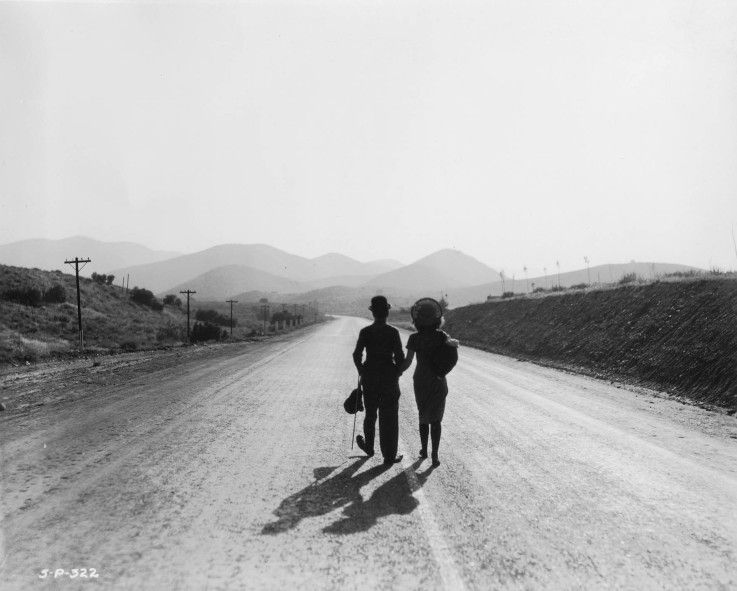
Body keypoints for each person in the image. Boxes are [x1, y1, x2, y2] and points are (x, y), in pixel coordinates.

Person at [399, 298, 459, 467]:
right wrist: (441, 373)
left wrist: (396, 372)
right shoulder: (442, 336)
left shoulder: (414, 338)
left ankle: (424, 450)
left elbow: (408, 362)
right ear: (436, 317)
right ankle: (435, 455)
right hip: (438, 381)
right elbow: (452, 356)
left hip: (420, 381)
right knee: (437, 420)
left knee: (423, 416)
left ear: (417, 318)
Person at [352, 296, 405, 466]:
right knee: (388, 418)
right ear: (387, 312)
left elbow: (356, 355)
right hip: (389, 378)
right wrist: (396, 372)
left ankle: (369, 446)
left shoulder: (365, 332)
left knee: (370, 414)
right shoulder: (393, 332)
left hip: (370, 378)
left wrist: (362, 370)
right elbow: (400, 357)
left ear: (373, 313)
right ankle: (389, 456)